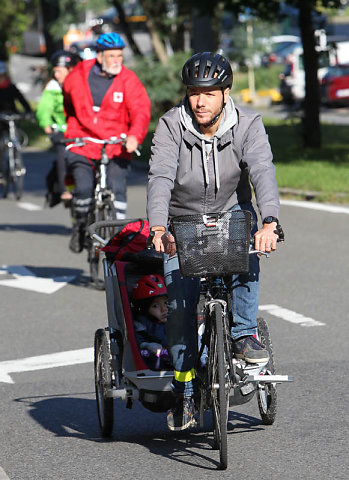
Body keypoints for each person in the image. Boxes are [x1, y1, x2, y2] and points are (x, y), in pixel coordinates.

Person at [147, 52, 283, 431]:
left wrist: (270, 221)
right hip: (183, 221)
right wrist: (159, 228)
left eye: (208, 92)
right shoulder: (171, 125)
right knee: (180, 305)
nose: (199, 101)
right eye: (193, 92)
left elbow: (262, 170)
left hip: (231, 215)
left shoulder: (249, 125)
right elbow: (159, 176)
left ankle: (242, 335)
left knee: (249, 247)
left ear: (225, 93)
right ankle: (185, 388)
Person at [63, 32, 151, 253]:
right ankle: (80, 226)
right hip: (83, 141)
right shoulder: (78, 75)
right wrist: (71, 129)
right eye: (111, 56)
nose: (116, 61)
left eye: (120, 56)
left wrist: (134, 136)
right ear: (99, 56)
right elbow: (68, 102)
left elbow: (141, 110)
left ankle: (118, 234)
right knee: (83, 188)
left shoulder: (128, 79)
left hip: (115, 144)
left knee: (117, 185)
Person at [36, 50, 81, 205]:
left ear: (71, 69)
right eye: (54, 71)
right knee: (63, 152)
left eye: (59, 71)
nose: (56, 75)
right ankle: (65, 189)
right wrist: (46, 123)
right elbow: (44, 107)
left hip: (83, 130)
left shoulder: (83, 84)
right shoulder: (53, 86)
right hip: (62, 129)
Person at [131, 274, 171, 371]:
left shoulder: (176, 319)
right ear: (145, 309)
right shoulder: (142, 323)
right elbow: (137, 340)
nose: (164, 310)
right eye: (155, 306)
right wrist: (146, 345)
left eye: (166, 303)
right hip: (153, 359)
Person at [0, 60, 32, 175]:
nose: (1, 78)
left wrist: (28, 111)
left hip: (12, 116)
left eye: (2, 76)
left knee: (15, 137)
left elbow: (22, 100)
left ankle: (15, 157)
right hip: (1, 119)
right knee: (1, 144)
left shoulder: (11, 87)